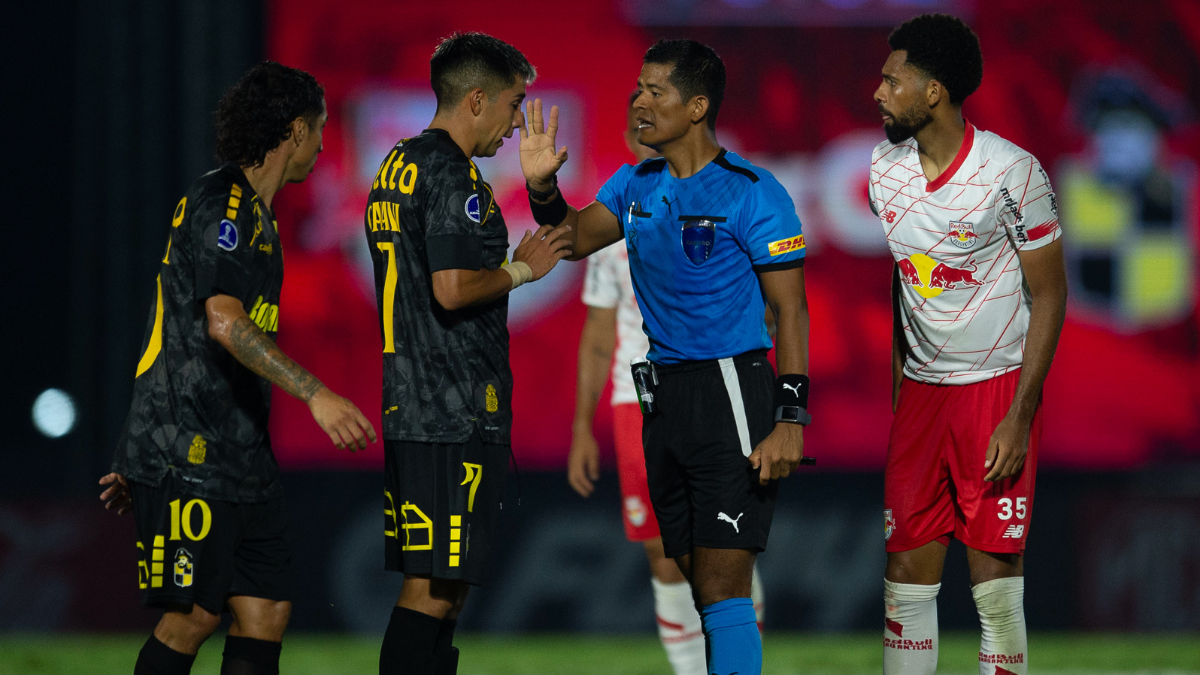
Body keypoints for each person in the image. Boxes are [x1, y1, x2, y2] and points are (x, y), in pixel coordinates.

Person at [522, 39, 810, 675]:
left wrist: (791, 417)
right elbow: (568, 240)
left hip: (732, 388)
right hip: (662, 397)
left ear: (699, 105)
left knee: (724, 582)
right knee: (690, 573)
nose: (640, 102)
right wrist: (543, 188)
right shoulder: (633, 184)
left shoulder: (753, 192)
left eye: (657, 92)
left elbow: (790, 310)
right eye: (638, 89)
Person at [99, 61, 377, 675]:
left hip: (233, 447)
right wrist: (317, 394)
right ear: (296, 129)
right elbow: (221, 322)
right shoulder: (222, 204)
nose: (326, 144)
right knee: (193, 616)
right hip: (190, 448)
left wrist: (137, 447)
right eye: (321, 127)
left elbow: (162, 331)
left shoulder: (256, 215)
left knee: (266, 611)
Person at [364, 33, 570, 675]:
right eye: (513, 105)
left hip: (414, 401)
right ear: (476, 99)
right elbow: (452, 290)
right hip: (450, 410)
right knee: (433, 590)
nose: (516, 123)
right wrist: (521, 271)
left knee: (441, 589)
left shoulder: (398, 162)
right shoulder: (455, 176)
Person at [868, 14, 1067, 675]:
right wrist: (902, 377)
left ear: (934, 92)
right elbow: (906, 278)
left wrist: (1021, 413)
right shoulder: (881, 170)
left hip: (996, 395)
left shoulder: (1012, 172)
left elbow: (1051, 295)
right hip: (923, 400)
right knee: (905, 579)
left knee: (996, 587)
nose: (877, 92)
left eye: (892, 80)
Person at [569, 92, 765, 675]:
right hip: (641, 397)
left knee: (728, 546)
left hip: (720, 385)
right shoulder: (611, 215)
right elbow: (599, 333)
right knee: (662, 549)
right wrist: (583, 427)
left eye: (651, 115)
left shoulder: (736, 193)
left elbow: (774, 302)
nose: (642, 127)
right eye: (634, 120)